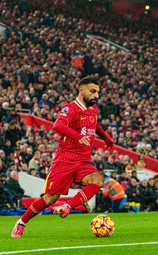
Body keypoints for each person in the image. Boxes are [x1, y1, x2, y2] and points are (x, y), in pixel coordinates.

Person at [11, 77, 114, 238]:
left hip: (83, 160)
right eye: (92, 91)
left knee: (97, 181)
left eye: (98, 92)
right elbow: (58, 125)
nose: (96, 95)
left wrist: (105, 137)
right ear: (81, 90)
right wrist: (78, 136)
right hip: (65, 160)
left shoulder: (93, 109)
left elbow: (94, 123)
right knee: (50, 199)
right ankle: (21, 223)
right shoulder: (70, 108)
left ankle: (67, 206)